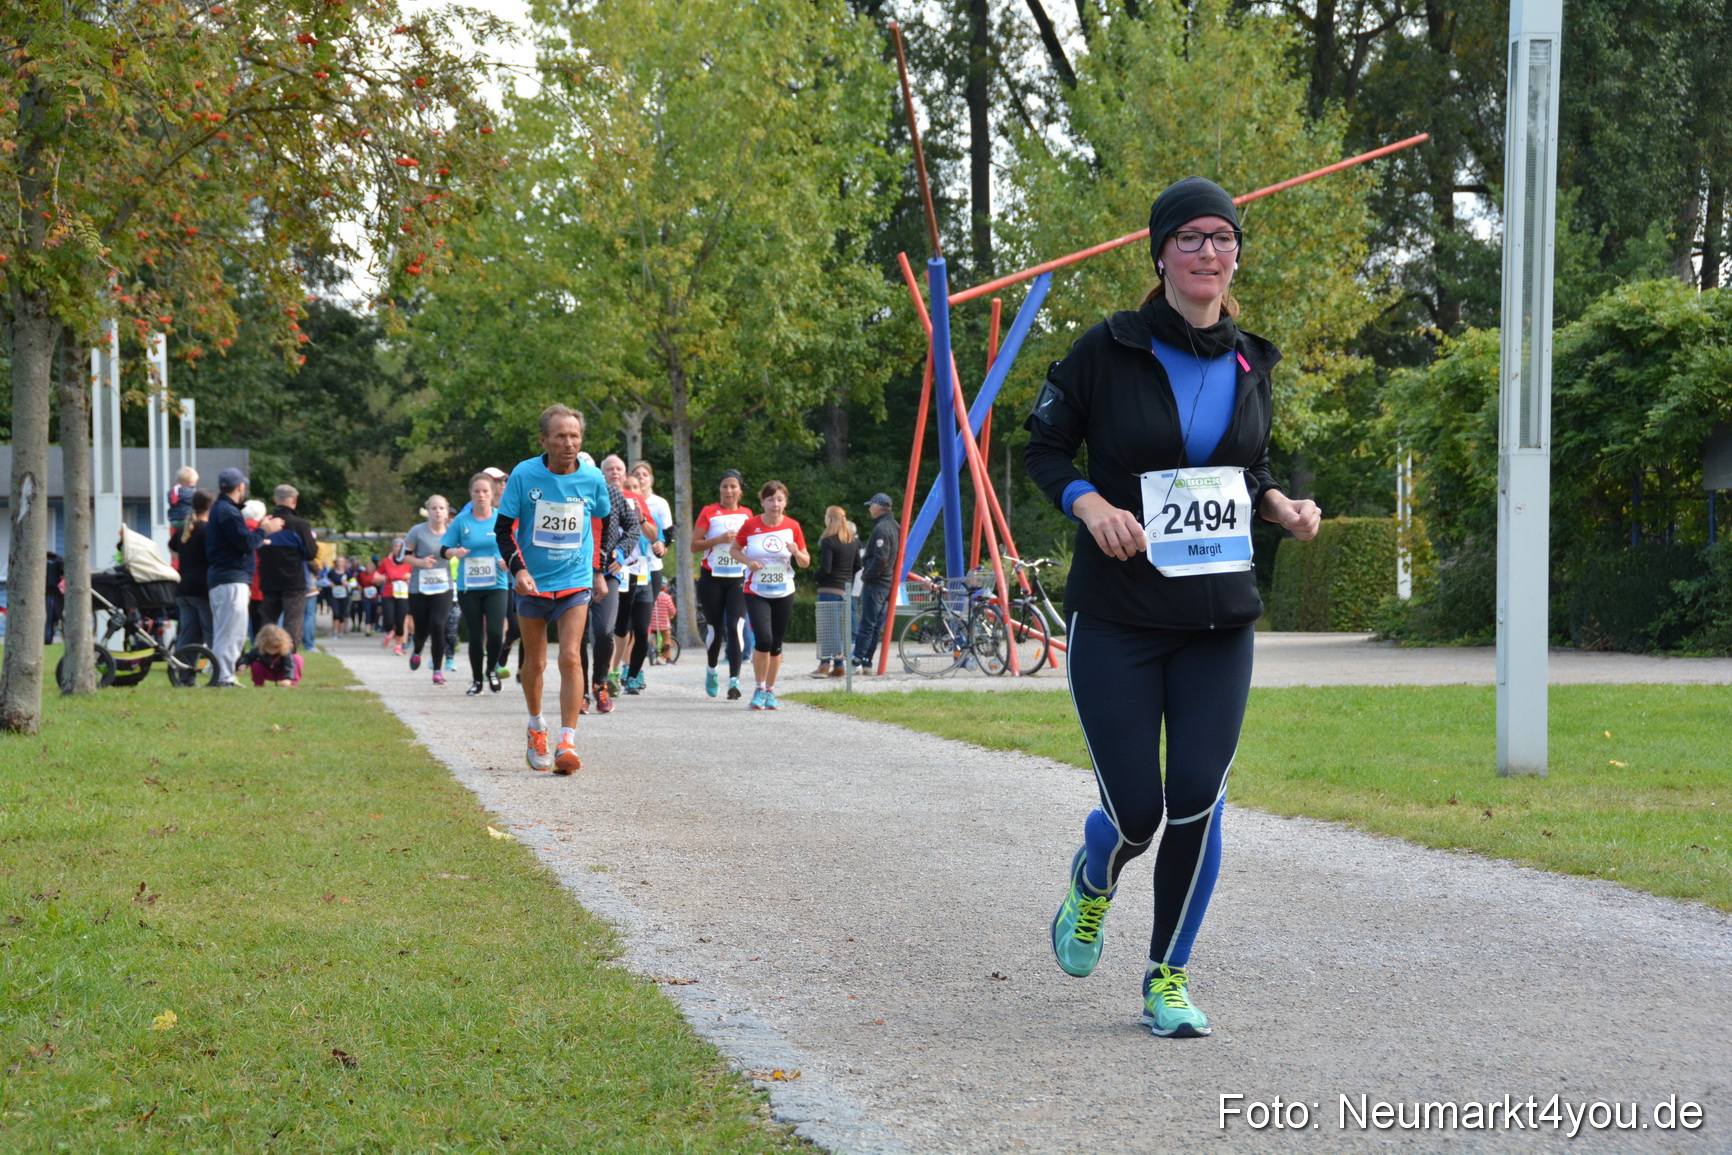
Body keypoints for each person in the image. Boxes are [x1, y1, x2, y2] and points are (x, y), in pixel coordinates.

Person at [1024, 177, 1321, 1039]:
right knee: (1137, 811)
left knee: (1197, 796)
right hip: (1117, 613)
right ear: (1160, 254)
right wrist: (1090, 504)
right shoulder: (1107, 348)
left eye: (1222, 237)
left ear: (1237, 255)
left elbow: (1245, 469)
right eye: (1189, 237)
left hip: (1216, 620)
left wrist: (1281, 507)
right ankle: (1094, 878)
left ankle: (1167, 975)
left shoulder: (1251, 360)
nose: (1207, 252)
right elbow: (1045, 447)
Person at [496, 404, 611, 773]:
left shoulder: (592, 478)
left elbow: (603, 523)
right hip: (532, 582)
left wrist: (597, 571)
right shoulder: (524, 474)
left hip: (575, 579)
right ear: (544, 440)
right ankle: (536, 728)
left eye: (575, 436)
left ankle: (567, 742)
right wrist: (518, 570)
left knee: (571, 657)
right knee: (536, 662)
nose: (569, 443)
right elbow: (503, 529)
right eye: (560, 436)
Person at [730, 480, 809, 710]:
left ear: (785, 502)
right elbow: (734, 550)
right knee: (763, 639)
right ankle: (759, 688)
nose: (775, 504)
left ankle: (771, 691)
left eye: (780, 500)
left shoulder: (793, 526)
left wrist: (797, 552)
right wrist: (748, 562)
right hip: (756, 591)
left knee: (776, 644)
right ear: (762, 502)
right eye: (771, 499)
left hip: (784, 591)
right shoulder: (750, 525)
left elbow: (805, 562)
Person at [205, 469, 283, 687]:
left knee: (226, 631)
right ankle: (223, 676)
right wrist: (264, 530)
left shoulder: (220, 509)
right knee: (232, 632)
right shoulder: (228, 512)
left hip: (223, 578)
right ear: (240, 487)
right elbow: (245, 543)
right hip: (231, 578)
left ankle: (220, 673)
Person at [442, 472, 511, 695]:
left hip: (497, 584)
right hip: (469, 587)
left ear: (492, 494)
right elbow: (444, 549)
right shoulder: (462, 520)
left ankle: (491, 670)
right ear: (471, 494)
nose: (481, 495)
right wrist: (454, 552)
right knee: (474, 635)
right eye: (476, 491)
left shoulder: (501, 518)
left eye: (485, 491)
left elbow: (515, 547)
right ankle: (477, 680)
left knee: (495, 632)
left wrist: (508, 562)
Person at [692, 470, 753, 700]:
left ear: (740, 490)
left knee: (736, 627)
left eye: (733, 486)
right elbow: (694, 545)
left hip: (738, 578)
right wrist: (718, 540)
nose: (729, 491)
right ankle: (712, 670)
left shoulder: (747, 514)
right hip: (712, 578)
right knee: (714, 630)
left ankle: (735, 680)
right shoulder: (709, 512)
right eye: (725, 486)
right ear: (720, 489)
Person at [611, 471, 664, 695]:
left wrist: (641, 519)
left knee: (642, 629)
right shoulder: (611, 505)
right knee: (622, 627)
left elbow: (656, 538)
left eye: (635, 487)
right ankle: (615, 670)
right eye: (628, 486)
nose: (631, 491)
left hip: (643, 573)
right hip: (619, 571)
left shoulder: (644, 509)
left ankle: (633, 675)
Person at [398, 496, 457, 684]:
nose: (438, 511)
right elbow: (404, 557)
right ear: (428, 511)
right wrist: (421, 562)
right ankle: (417, 650)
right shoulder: (417, 531)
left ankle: (437, 670)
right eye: (434, 508)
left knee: (438, 625)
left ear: (447, 511)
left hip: (444, 585)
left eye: (441, 508)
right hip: (419, 587)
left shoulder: (453, 531)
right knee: (422, 628)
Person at [257, 484, 318, 650]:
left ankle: (265, 654)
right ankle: (288, 656)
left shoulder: (265, 523)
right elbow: (311, 553)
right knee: (293, 621)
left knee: (268, 621)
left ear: (274, 499)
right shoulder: (299, 524)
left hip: (269, 579)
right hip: (293, 581)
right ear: (294, 500)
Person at [851, 493, 900, 674]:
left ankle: (856, 661)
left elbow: (881, 559)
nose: (870, 509)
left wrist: (867, 576)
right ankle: (867, 662)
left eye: (871, 506)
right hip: (887, 583)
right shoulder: (896, 526)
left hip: (877, 583)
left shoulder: (881, 529)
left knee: (866, 624)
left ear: (877, 507)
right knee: (875, 626)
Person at [811, 505, 861, 678]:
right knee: (839, 629)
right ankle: (839, 666)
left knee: (827, 629)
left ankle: (824, 665)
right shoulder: (852, 542)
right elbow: (858, 565)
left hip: (829, 588)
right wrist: (848, 580)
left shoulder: (828, 541)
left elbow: (826, 568)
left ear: (830, 519)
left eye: (826, 516)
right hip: (844, 590)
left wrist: (814, 577)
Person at [169, 490, 215, 649]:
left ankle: (182, 664)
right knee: (211, 633)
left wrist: (183, 559)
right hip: (202, 587)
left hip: (183, 587)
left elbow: (172, 548)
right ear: (210, 507)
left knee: (188, 635)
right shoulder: (208, 530)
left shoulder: (184, 528)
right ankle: (217, 663)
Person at [630, 461, 674, 601]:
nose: (641, 478)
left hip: (651, 566)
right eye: (637, 475)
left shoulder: (660, 504)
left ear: (651, 480)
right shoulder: (623, 501)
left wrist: (661, 545)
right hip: (626, 566)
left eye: (645, 475)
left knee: (645, 611)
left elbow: (667, 537)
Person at [375, 541, 413, 655]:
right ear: (392, 548)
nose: (399, 548)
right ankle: (389, 633)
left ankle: (398, 645)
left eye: (401, 546)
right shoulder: (386, 561)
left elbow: (416, 576)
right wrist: (381, 578)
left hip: (403, 594)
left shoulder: (410, 561)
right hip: (388, 593)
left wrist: (410, 577)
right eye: (396, 546)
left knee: (401, 621)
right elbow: (376, 575)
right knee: (388, 620)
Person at [244, 623, 303, 687]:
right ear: (263, 644)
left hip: (283, 672)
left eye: (275, 647)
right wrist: (243, 664)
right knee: (256, 664)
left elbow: (289, 664)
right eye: (268, 647)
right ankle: (258, 685)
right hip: (269, 672)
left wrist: (288, 678)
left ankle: (293, 683)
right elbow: (248, 657)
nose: (272, 650)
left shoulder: (285, 650)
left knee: (297, 658)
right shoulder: (259, 650)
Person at [43, 550, 65, 645]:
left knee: (47, 618)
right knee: (51, 618)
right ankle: (47, 638)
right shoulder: (58, 561)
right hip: (54, 593)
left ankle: (46, 638)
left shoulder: (43, 562)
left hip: (45, 593)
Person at [328, 556, 353, 637]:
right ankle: (335, 631)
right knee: (336, 613)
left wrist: (348, 584)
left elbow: (354, 583)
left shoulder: (348, 573)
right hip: (333, 596)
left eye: (341, 561)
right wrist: (330, 584)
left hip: (344, 596)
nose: (339, 563)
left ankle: (340, 631)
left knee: (342, 613)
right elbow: (325, 580)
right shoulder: (331, 572)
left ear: (344, 563)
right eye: (338, 561)